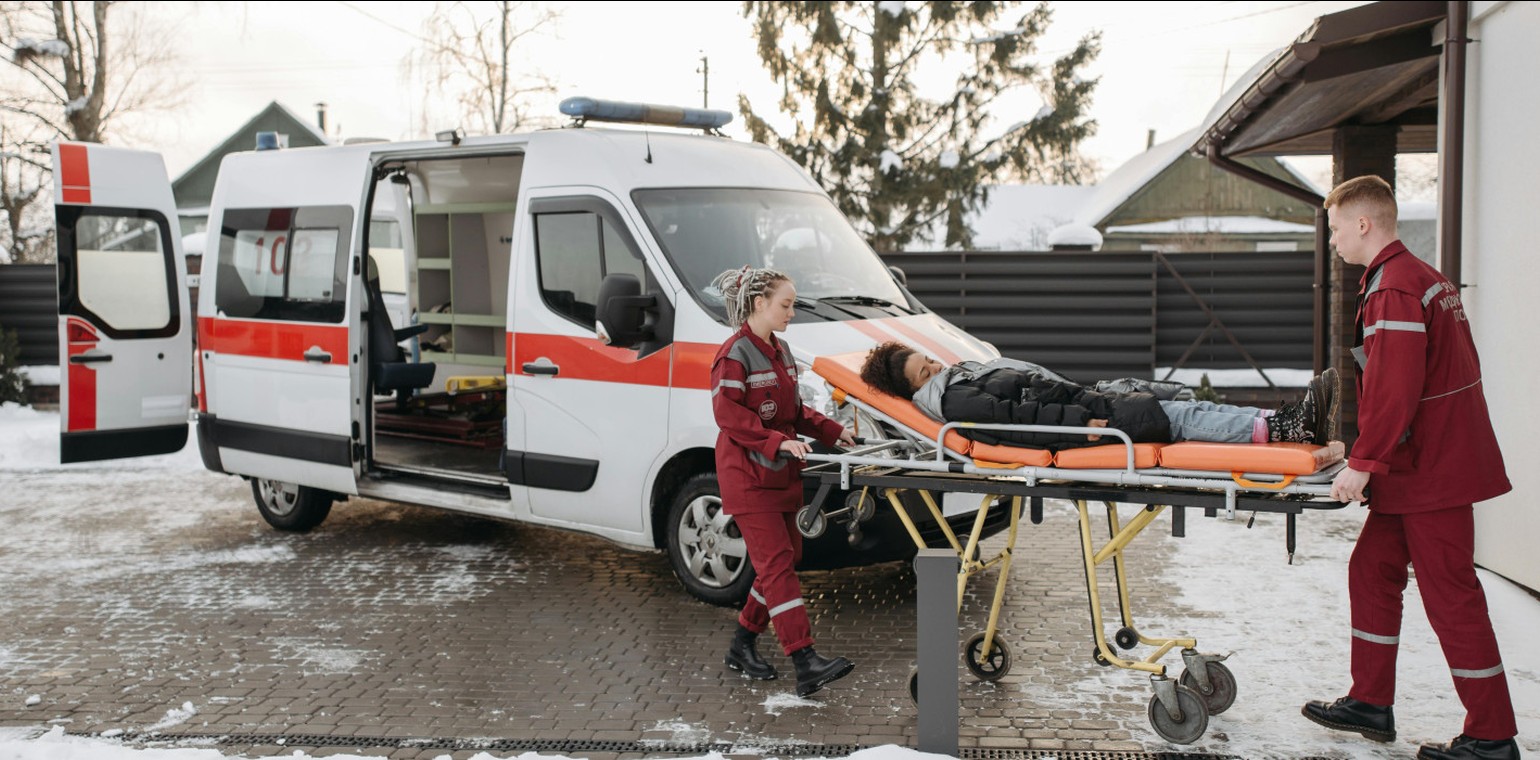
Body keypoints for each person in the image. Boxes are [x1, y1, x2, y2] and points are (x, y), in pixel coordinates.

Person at [1300, 176, 1519, 760]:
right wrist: (1372, 454)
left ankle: (1492, 737)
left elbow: (1395, 386)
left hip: (1431, 469)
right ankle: (1370, 702)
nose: (1334, 240)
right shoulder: (1419, 278)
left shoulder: (1395, 288)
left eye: (1336, 229)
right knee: (1372, 570)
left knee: (1451, 595)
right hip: (1420, 462)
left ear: (1363, 223)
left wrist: (1365, 462)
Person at [709, 265, 858, 697]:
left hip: (778, 474)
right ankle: (804, 659)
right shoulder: (733, 355)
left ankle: (742, 644)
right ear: (759, 304)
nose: (792, 313)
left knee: (784, 559)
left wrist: (833, 431)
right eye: (786, 305)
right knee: (776, 566)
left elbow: (794, 410)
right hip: (748, 477)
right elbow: (729, 416)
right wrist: (777, 442)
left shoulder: (781, 350)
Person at [857, 341, 1338, 450]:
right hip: (1087, 425)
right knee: (1180, 419)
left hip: (1088, 404)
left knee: (1186, 406)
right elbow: (1014, 423)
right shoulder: (953, 402)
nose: (935, 366)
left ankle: (1283, 420)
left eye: (929, 359)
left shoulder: (961, 377)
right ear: (913, 388)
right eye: (924, 372)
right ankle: (1282, 430)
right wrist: (1078, 428)